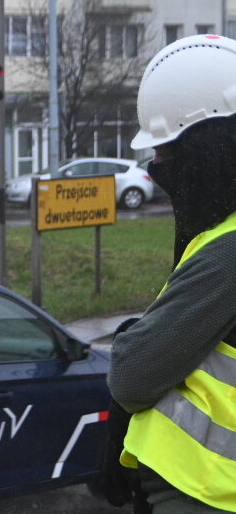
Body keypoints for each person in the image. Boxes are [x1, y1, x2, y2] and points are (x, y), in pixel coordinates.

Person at [107, 34, 236, 513]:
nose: (156, 165)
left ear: (212, 146)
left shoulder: (228, 253)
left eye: (166, 148)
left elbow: (133, 375)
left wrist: (134, 341)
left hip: (207, 491)